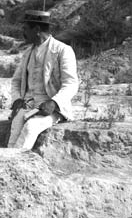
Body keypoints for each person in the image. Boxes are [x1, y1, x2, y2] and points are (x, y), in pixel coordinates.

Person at [8, 10, 79, 149]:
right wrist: (16, 99)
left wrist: (53, 102)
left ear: (37, 29)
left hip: (53, 109)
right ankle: (11, 163)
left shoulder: (63, 50)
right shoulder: (27, 53)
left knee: (30, 127)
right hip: (29, 105)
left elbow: (71, 84)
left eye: (25, 29)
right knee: (15, 128)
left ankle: (17, 163)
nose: (23, 32)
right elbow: (16, 81)